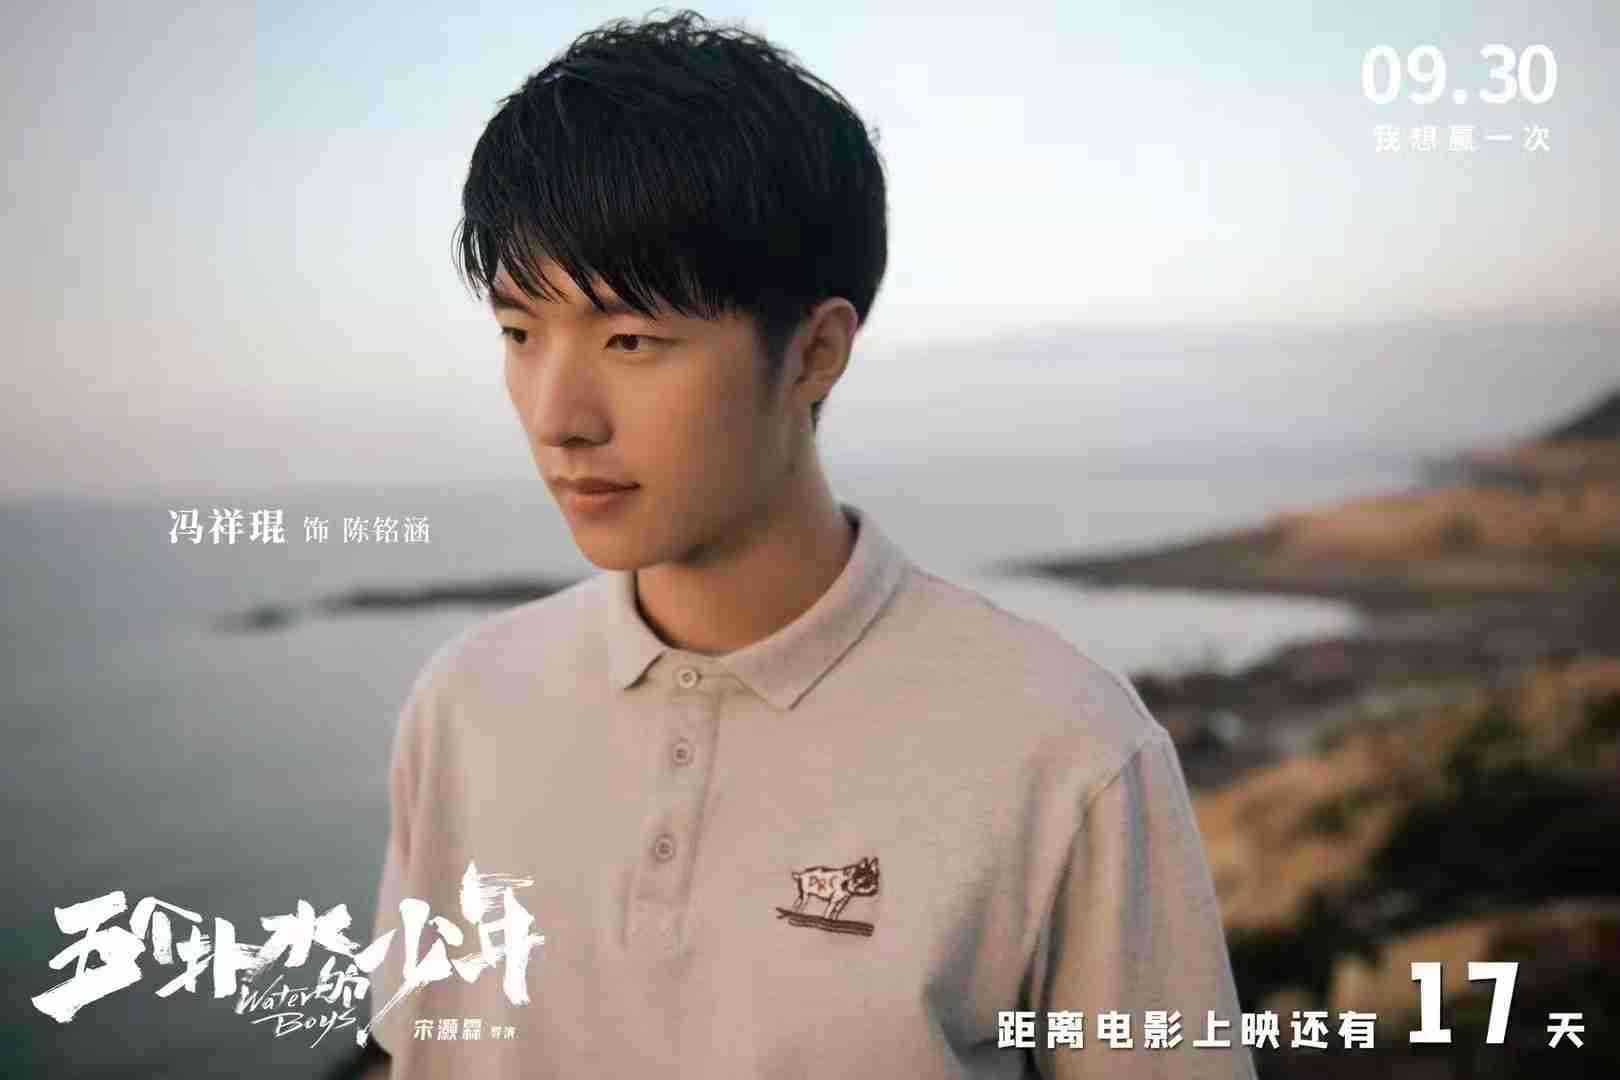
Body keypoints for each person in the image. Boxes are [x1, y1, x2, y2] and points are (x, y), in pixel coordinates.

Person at [361, 10, 1255, 1078]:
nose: (559, 417)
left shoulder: (1067, 749)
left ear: (815, 352)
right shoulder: (462, 708)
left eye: (632, 339)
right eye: (519, 333)